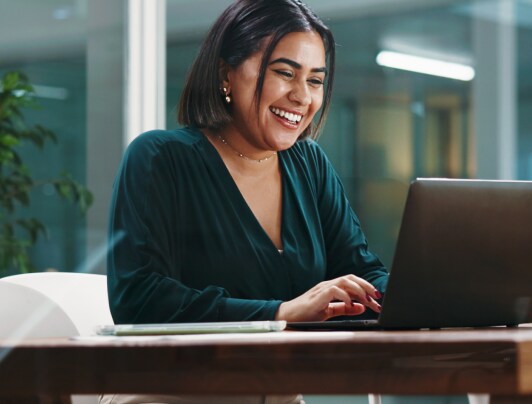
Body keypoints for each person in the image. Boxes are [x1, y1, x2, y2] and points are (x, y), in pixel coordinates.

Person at [104, 0, 388, 402]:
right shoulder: (160, 157)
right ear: (227, 73)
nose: (301, 97)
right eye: (285, 73)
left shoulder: (309, 164)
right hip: (172, 394)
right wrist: (278, 314)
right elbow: (139, 299)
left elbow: (358, 268)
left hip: (278, 394)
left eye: (315, 80)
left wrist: (416, 295)